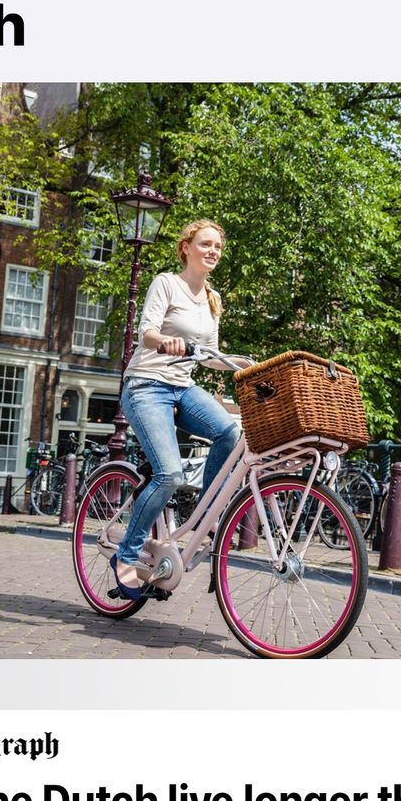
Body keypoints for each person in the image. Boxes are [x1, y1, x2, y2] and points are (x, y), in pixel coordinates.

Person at [110, 219, 251, 601]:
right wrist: (167, 343)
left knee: (230, 432)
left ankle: (206, 514)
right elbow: (147, 333)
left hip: (182, 387)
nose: (213, 252)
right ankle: (126, 552)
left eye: (218, 247)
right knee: (169, 473)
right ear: (186, 246)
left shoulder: (212, 298)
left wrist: (244, 364)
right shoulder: (166, 283)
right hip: (146, 386)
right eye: (206, 244)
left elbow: (211, 357)